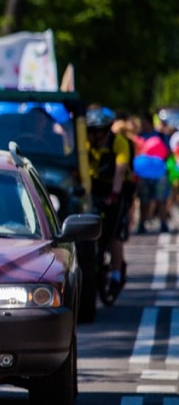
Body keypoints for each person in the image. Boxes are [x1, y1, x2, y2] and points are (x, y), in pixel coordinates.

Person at [86, 106, 132, 297]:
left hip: (117, 187)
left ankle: (115, 274)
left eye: (97, 132)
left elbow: (120, 170)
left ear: (105, 130)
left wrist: (113, 194)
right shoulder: (87, 143)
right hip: (95, 186)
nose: (94, 136)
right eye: (91, 131)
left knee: (114, 233)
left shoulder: (118, 142)